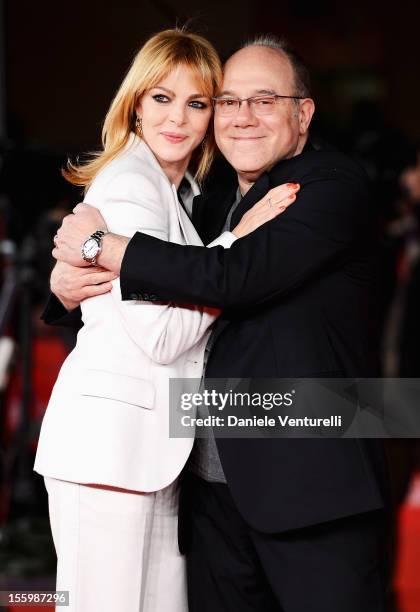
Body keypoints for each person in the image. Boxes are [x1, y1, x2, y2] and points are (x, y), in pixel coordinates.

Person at [51, 36, 389, 612]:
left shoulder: (328, 185)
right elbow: (180, 270)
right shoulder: (203, 199)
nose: (243, 118)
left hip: (312, 485)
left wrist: (103, 245)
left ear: (302, 113)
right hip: (208, 490)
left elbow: (231, 276)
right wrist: (65, 286)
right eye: (228, 102)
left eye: (265, 100)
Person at [34, 30, 297, 612]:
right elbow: (161, 336)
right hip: (109, 451)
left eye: (196, 103)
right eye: (161, 98)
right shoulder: (131, 185)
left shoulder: (179, 189)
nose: (177, 118)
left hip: (147, 455)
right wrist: (235, 250)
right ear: (134, 103)